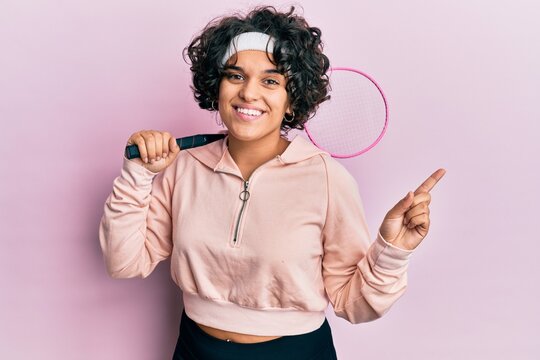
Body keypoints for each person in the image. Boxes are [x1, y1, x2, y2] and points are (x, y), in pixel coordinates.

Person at [98, 5, 446, 360]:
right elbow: (123, 261)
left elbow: (353, 305)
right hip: (195, 348)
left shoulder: (327, 180)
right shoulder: (183, 167)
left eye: (270, 80)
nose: (249, 93)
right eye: (235, 76)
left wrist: (391, 251)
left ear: (291, 99)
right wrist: (138, 175)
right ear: (216, 86)